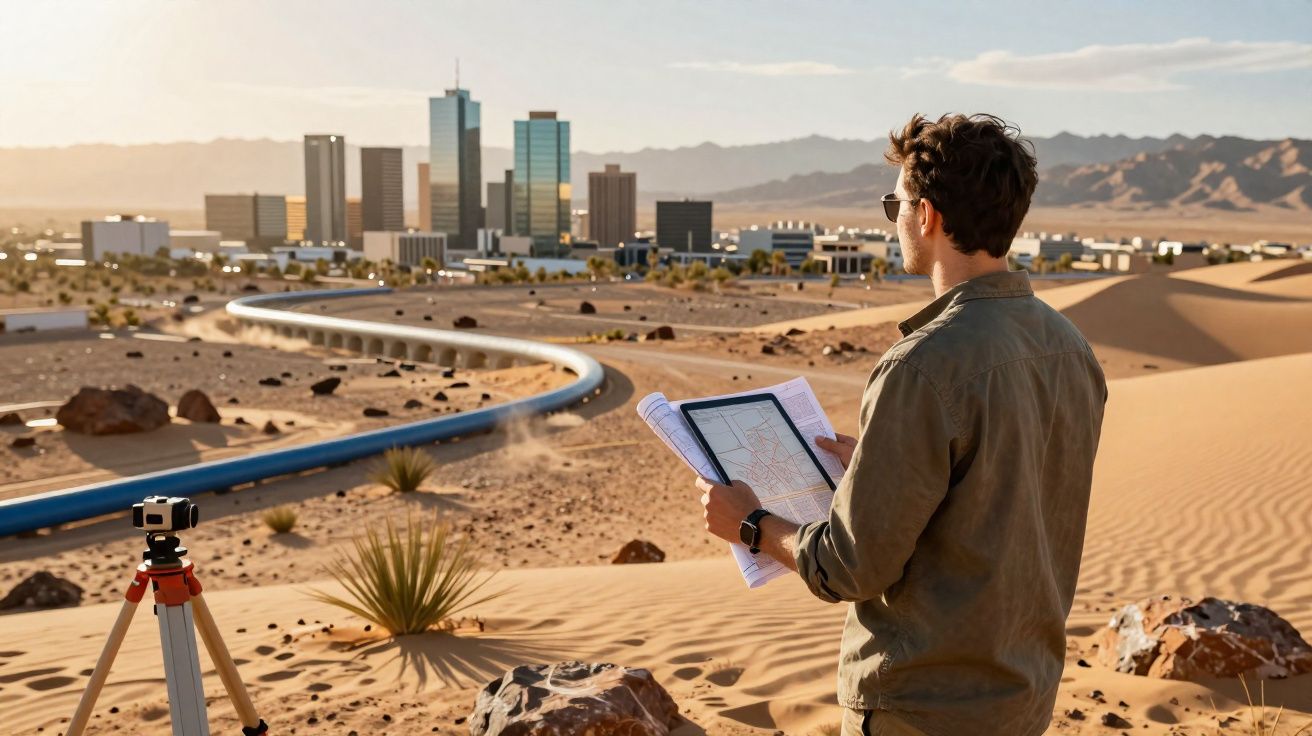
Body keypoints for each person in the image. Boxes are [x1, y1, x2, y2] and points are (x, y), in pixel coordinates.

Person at [697, 113, 1107, 736]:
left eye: (898, 202)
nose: (895, 220)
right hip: (1021, 700)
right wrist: (891, 463)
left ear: (929, 215)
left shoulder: (922, 367)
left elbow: (850, 567)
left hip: (921, 707)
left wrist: (751, 524)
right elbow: (1004, 492)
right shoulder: (1071, 349)